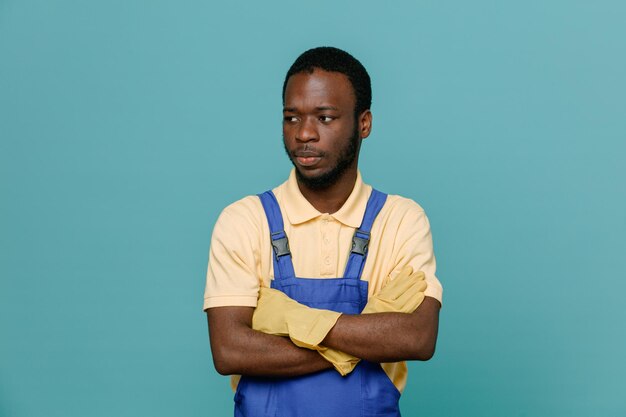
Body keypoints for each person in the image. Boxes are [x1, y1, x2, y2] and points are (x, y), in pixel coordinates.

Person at [203, 46, 443, 417]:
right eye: (292, 118)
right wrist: (364, 334)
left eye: (325, 117)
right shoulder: (244, 220)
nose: (305, 134)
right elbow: (230, 350)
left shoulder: (400, 220)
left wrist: (289, 320)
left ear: (364, 123)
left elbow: (417, 337)